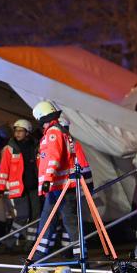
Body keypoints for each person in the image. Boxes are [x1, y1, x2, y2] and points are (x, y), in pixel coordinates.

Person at [32, 101, 81, 259]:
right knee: (49, 219)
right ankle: (39, 253)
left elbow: (53, 158)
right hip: (58, 186)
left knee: (68, 221)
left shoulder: (53, 133)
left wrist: (47, 179)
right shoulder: (56, 131)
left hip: (60, 186)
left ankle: (80, 257)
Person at [0, 119, 39, 252]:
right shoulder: (9, 148)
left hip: (34, 187)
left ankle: (30, 243)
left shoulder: (35, 146)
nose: (17, 133)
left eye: (21, 130)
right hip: (19, 188)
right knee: (22, 215)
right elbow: (4, 169)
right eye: (16, 130)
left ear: (28, 132)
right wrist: (1, 187)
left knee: (35, 217)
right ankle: (9, 242)